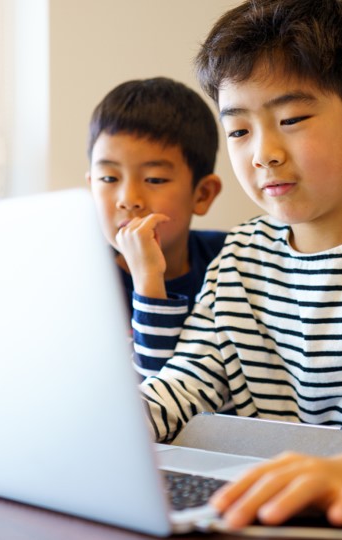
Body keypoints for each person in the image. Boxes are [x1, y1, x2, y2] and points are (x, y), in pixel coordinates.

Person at [136, 0, 342, 528]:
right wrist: (110, 428)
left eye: (292, 119)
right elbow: (186, 382)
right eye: (239, 131)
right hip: (255, 509)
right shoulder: (243, 256)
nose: (263, 153)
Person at [85, 77, 225, 378]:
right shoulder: (85, 284)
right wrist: (147, 278)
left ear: (202, 195)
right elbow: (151, 398)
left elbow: (180, 399)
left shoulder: (230, 260)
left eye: (155, 180)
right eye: (109, 179)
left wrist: (148, 275)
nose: (129, 200)